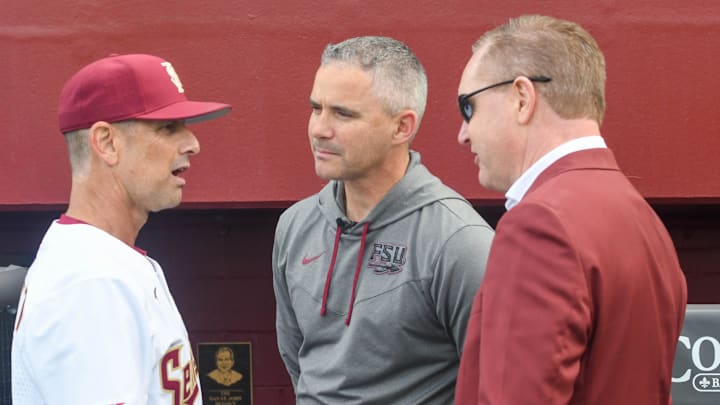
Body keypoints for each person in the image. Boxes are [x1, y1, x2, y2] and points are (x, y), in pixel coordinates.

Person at [454, 15, 687, 404]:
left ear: (522, 98)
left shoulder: (539, 224)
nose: (463, 133)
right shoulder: (644, 221)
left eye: (468, 107)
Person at [272, 36, 494, 404]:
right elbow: (297, 358)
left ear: (402, 127)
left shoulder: (458, 241)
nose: (319, 129)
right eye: (316, 108)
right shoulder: (295, 227)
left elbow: (493, 384)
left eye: (343, 114)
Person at [12, 53, 231, 404]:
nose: (192, 143)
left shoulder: (104, 260)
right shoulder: (89, 281)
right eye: (168, 128)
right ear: (107, 143)